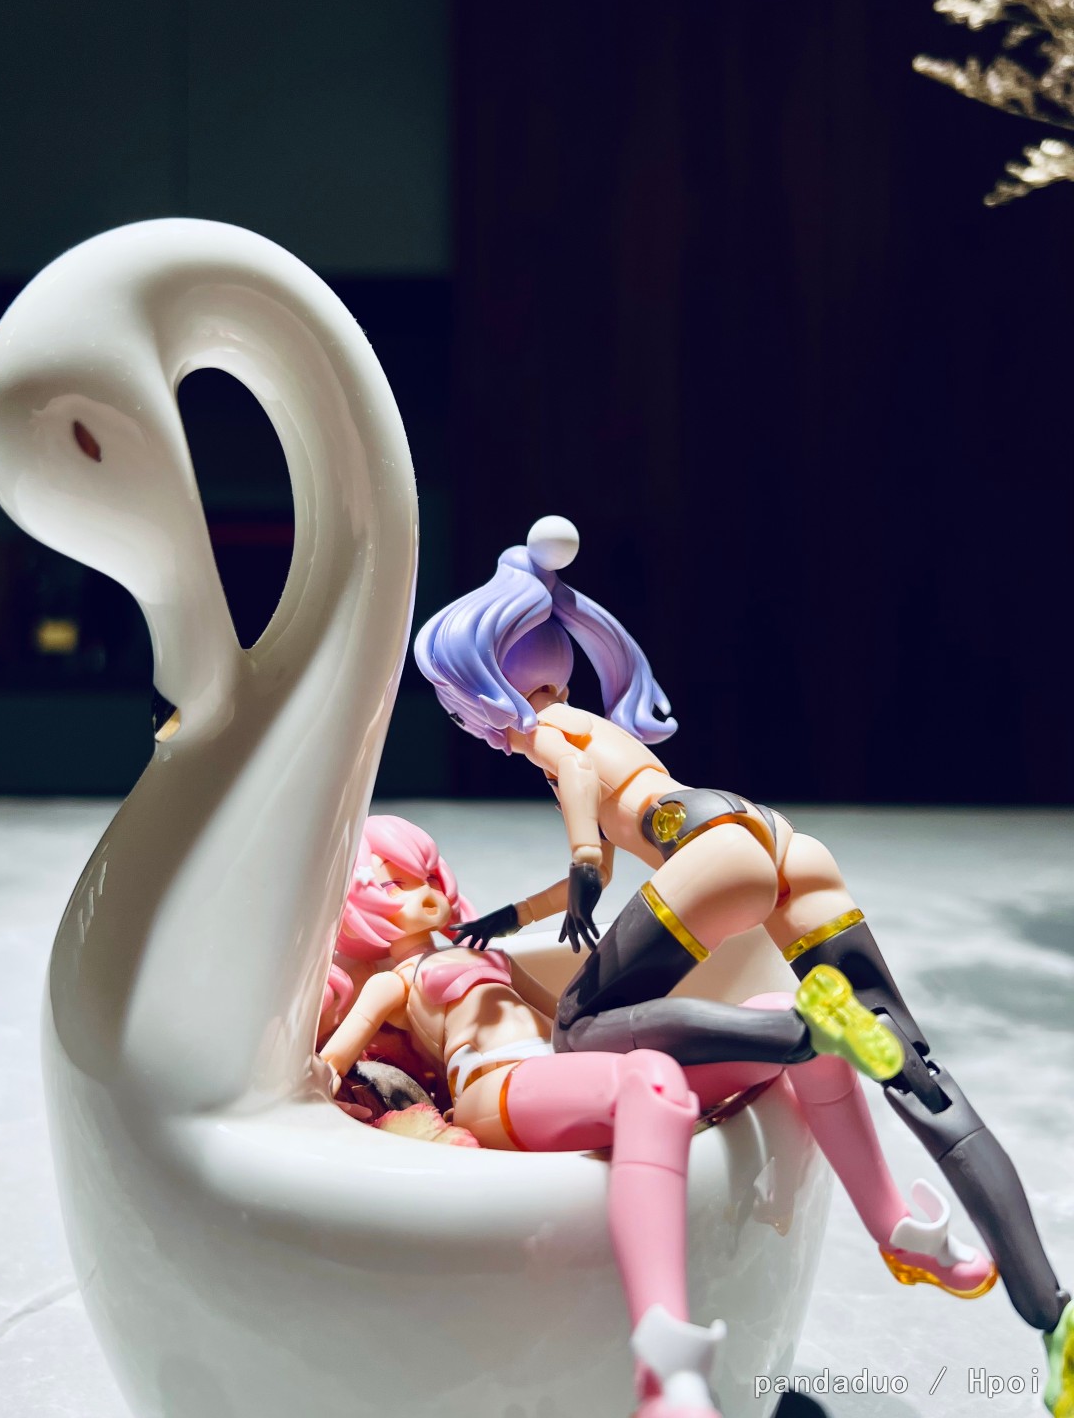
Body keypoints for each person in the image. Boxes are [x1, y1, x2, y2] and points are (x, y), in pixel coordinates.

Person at [414, 518, 1073, 1414]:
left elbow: (583, 804)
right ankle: (1049, 1314)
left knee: (577, 1031)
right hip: (772, 835)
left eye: (453, 701)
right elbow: (609, 838)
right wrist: (514, 916)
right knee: (921, 1075)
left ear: (480, 682)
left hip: (714, 855)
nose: (464, 720)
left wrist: (581, 869)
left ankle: (804, 1032)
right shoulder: (596, 725)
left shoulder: (551, 730)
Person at [320, 815, 995, 1418]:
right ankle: (666, 1371)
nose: (423, 895)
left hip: (555, 1068)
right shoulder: (394, 984)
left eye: (424, 876)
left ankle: (898, 1232)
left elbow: (566, 1019)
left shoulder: (486, 954)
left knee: (783, 1022)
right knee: (652, 1080)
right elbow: (335, 1056)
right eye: (393, 884)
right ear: (358, 906)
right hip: (496, 1090)